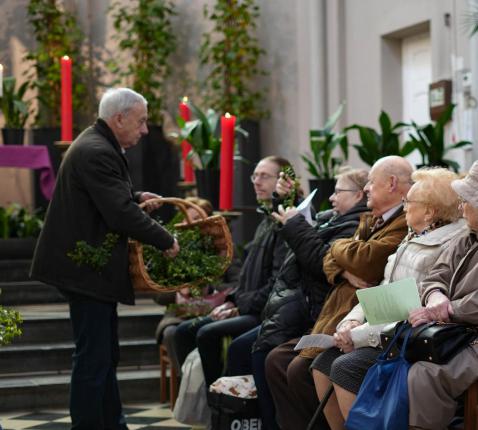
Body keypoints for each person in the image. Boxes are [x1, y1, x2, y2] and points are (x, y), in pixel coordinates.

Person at [30, 88, 180, 430]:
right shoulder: (97, 150)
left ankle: (113, 423)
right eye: (141, 122)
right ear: (119, 118)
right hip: (85, 270)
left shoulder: (96, 144)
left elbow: (107, 195)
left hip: (87, 270)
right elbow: (119, 213)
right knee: (93, 359)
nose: (145, 130)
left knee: (103, 356)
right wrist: (165, 238)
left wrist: (136, 194)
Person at [311, 167, 466, 430]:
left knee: (345, 368)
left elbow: (409, 308)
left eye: (409, 202)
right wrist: (350, 322)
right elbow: (383, 291)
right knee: (322, 362)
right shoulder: (413, 237)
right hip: (382, 331)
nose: (404, 207)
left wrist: (358, 336)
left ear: (429, 212)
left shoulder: (444, 247)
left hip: (408, 338)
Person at [265, 156, 413, 430]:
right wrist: (345, 267)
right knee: (275, 358)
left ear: (391, 183)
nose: (367, 188)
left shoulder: (402, 221)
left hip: (361, 317)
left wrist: (339, 249)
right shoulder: (373, 219)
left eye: (371, 182)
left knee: (300, 368)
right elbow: (332, 261)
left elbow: (366, 262)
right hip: (339, 312)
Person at [226, 168, 370, 430]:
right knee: (260, 355)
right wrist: (287, 203)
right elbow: (309, 236)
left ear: (359, 194)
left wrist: (296, 225)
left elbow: (317, 257)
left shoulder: (356, 223)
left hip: (311, 311)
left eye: (339, 191)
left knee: (275, 360)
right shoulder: (335, 218)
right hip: (293, 307)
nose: (333, 197)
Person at [173, 156, 290, 387]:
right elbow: (248, 278)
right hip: (248, 304)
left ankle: (221, 401)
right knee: (183, 331)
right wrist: (230, 301)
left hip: (265, 312)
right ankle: (210, 399)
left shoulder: (285, 219)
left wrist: (239, 306)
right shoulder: (266, 220)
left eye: (264, 176)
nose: (256, 181)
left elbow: (279, 280)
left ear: (283, 181)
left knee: (207, 333)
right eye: (254, 176)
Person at [406, 161, 478, 430]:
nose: (461, 208)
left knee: (425, 374)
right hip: (457, 332)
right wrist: (435, 296)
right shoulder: (467, 236)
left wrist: (449, 309)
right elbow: (436, 274)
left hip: (470, 336)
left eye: (466, 201)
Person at [155, 196, 240, 374]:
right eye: (186, 218)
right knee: (171, 333)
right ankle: (186, 383)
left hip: (214, 312)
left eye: (196, 219)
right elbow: (158, 295)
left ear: (208, 221)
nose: (189, 223)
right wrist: (179, 289)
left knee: (213, 332)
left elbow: (238, 283)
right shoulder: (171, 249)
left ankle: (212, 381)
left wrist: (210, 288)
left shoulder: (224, 250)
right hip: (179, 315)